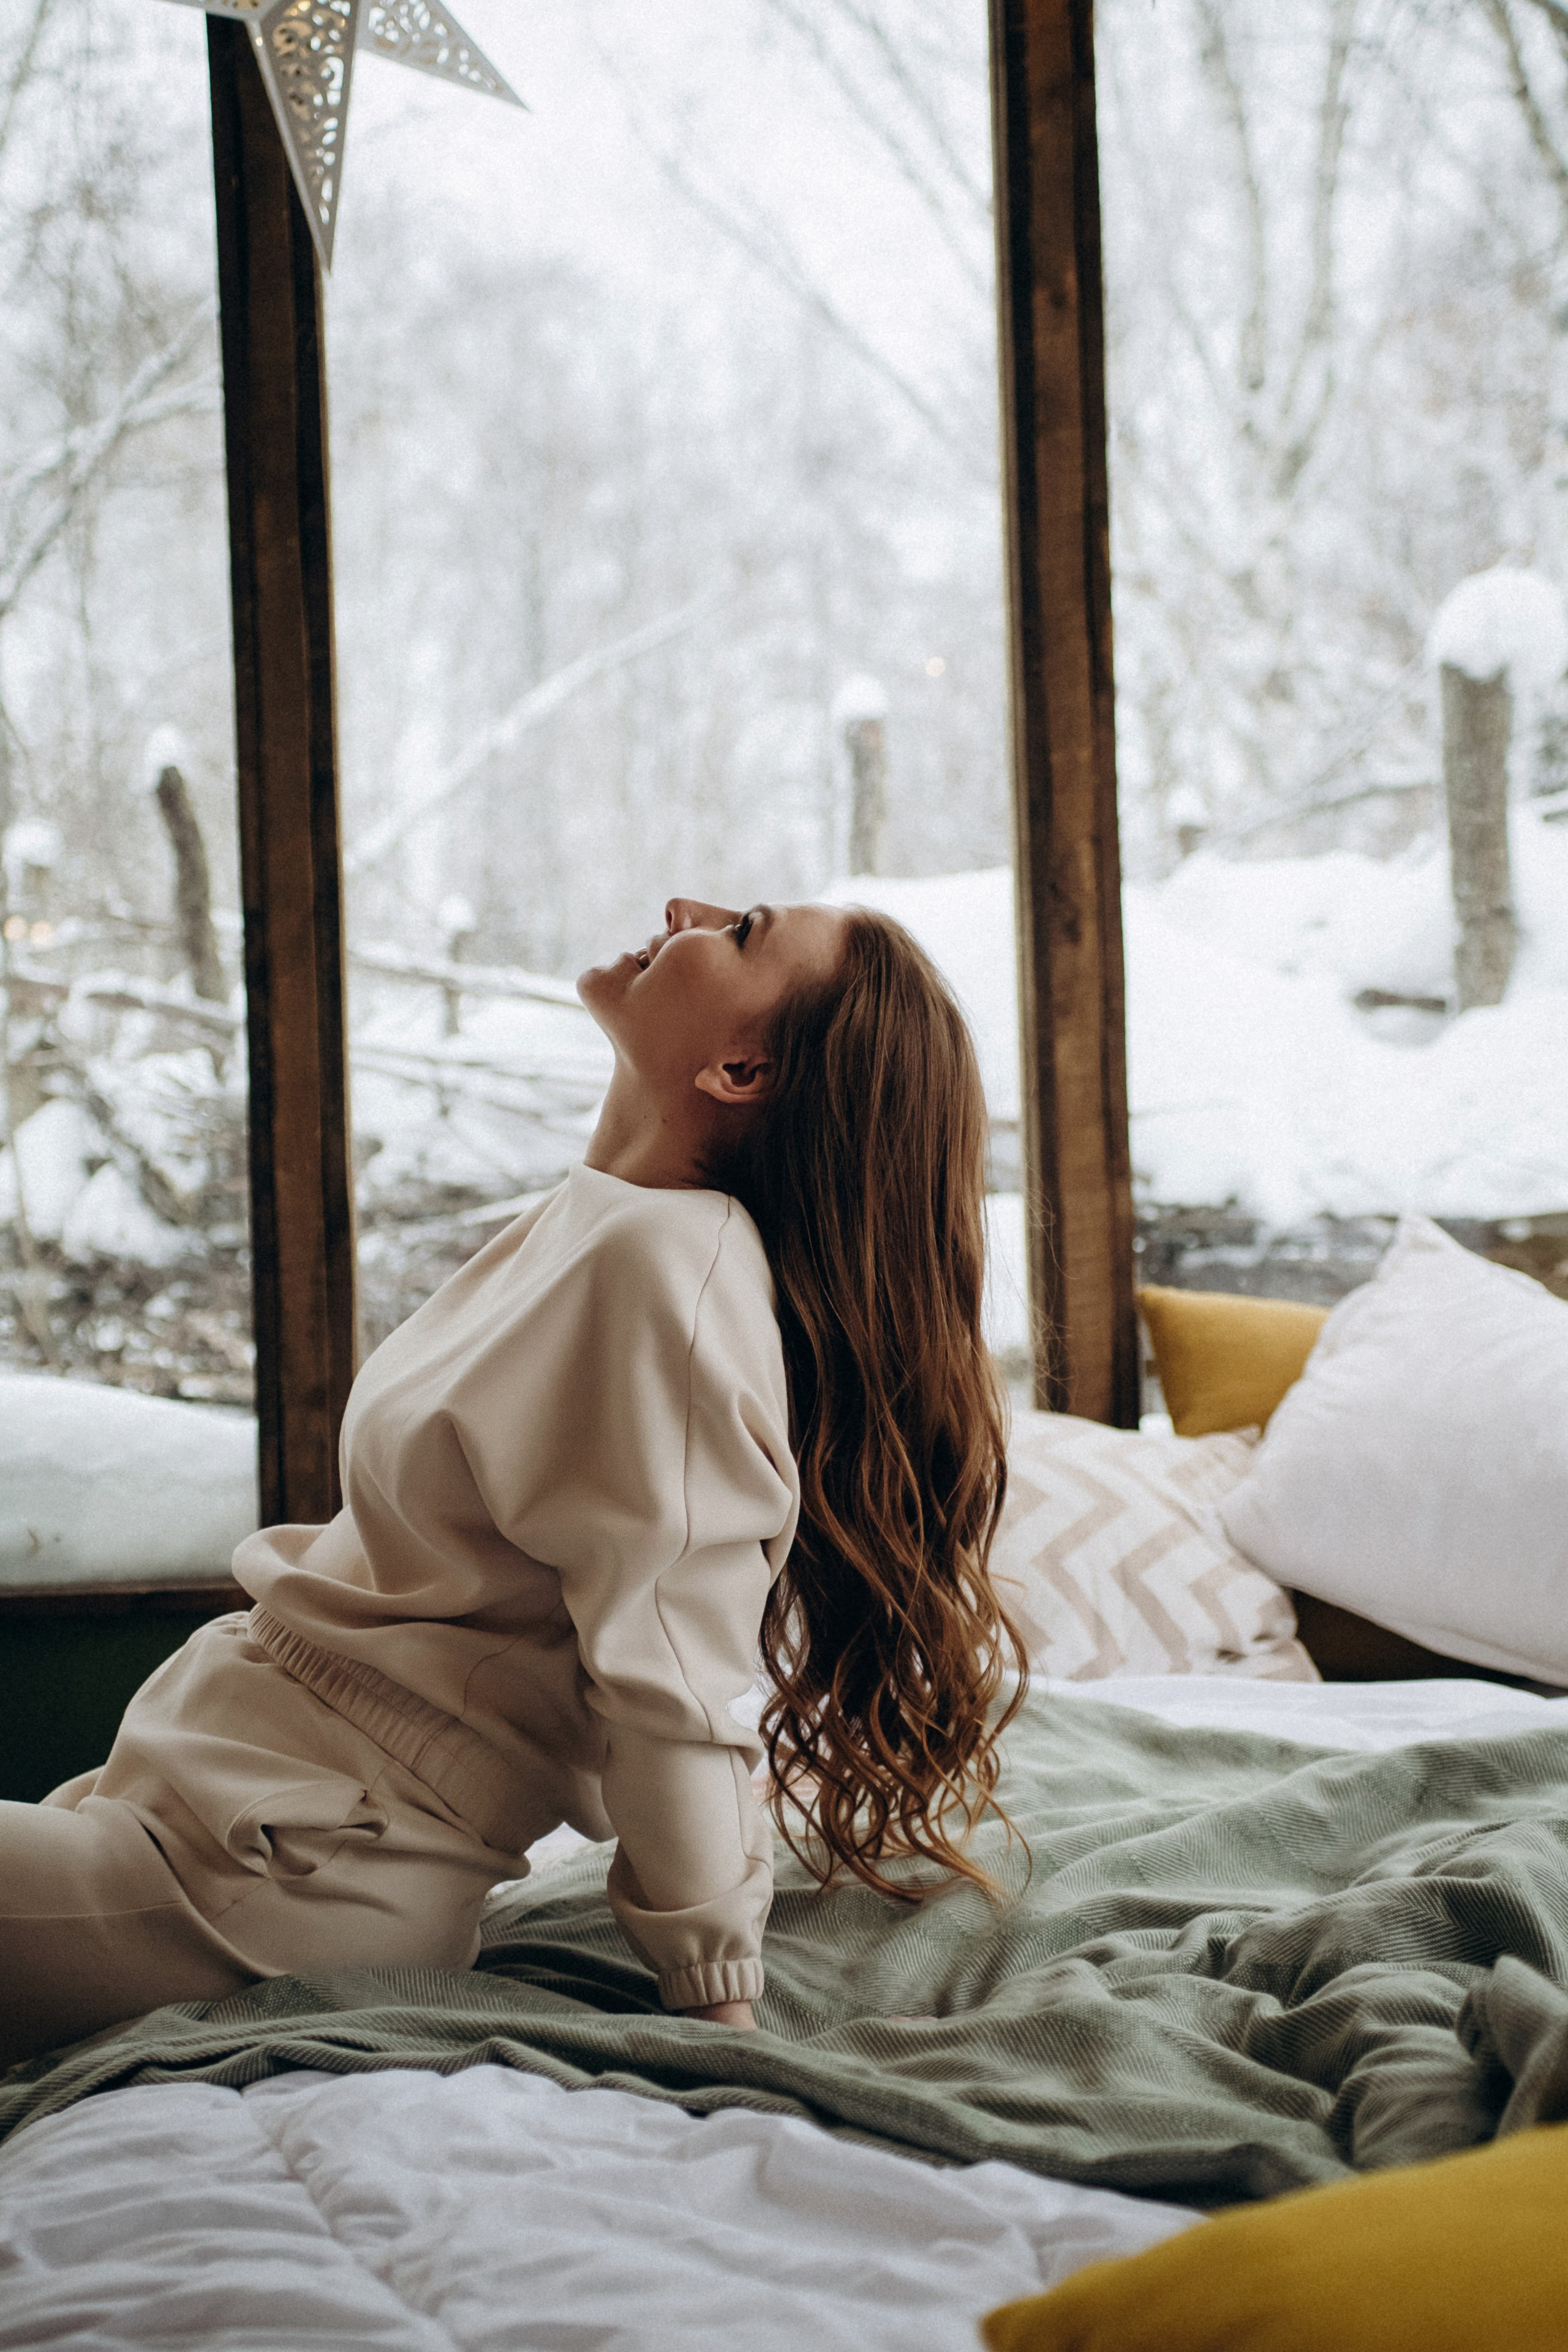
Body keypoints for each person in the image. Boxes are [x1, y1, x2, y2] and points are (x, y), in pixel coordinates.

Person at [0, 899, 1023, 2068]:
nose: (688, 909)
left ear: (742, 1067)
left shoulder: (669, 1276)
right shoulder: (601, 1225)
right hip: (209, 1805)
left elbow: (672, 1675)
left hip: (280, 1879)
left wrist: (720, 1999)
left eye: (741, 932)